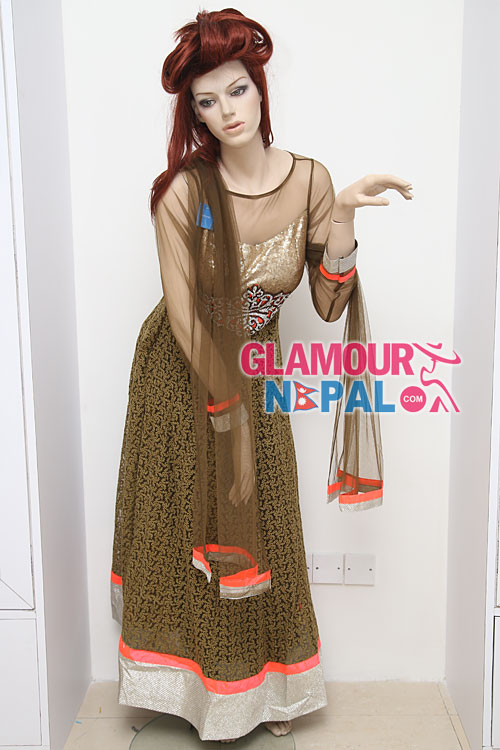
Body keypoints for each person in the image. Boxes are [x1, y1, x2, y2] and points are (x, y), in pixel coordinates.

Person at [110, 7, 412, 744]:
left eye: (237, 90)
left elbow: (328, 305)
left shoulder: (311, 181)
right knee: (181, 521)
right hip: (180, 373)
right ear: (195, 114)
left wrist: (343, 217)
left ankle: (266, 692)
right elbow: (184, 316)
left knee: (263, 519)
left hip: (258, 367)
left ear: (260, 88)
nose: (226, 111)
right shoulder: (183, 192)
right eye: (207, 101)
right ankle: (182, 690)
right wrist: (227, 409)